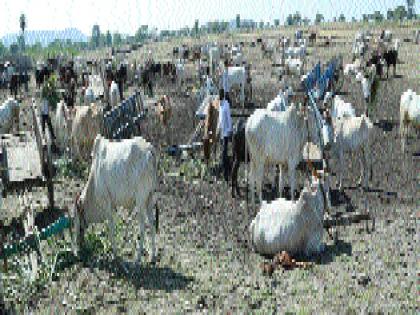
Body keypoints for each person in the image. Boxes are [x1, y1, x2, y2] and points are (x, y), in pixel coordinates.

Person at [217, 88, 232, 182]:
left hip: (226, 133)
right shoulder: (221, 105)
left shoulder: (226, 105)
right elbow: (220, 119)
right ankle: (225, 171)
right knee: (223, 153)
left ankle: (226, 173)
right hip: (222, 133)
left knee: (224, 154)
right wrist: (218, 130)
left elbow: (228, 119)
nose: (219, 96)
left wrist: (229, 130)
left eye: (220, 95)